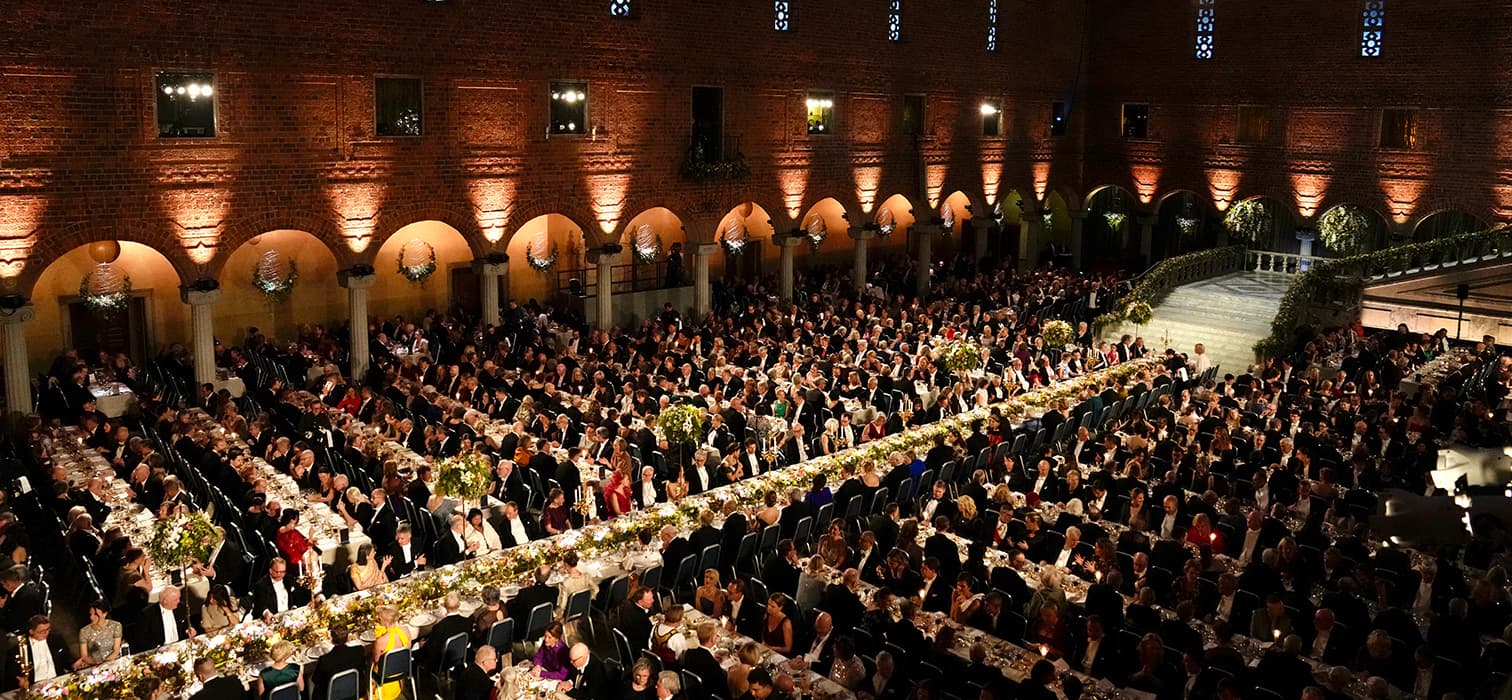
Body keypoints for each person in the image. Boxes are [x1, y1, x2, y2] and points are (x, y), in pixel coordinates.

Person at [310, 625, 367, 700]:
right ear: (347, 637)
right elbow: (363, 667)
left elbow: (316, 680)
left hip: (331, 695)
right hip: (354, 689)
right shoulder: (358, 650)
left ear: (332, 639)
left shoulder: (325, 660)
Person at [370, 605, 413, 700]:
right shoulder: (406, 630)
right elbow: (408, 648)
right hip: (402, 669)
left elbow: (376, 660)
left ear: (383, 620)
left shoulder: (381, 641)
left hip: (384, 674)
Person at [76, 599, 122, 668]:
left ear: (104, 614)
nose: (91, 617)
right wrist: (98, 664)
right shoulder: (84, 631)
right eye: (90, 614)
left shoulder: (116, 626)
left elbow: (116, 651)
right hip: (94, 666)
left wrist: (105, 664)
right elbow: (84, 656)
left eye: (95, 614)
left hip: (113, 663)